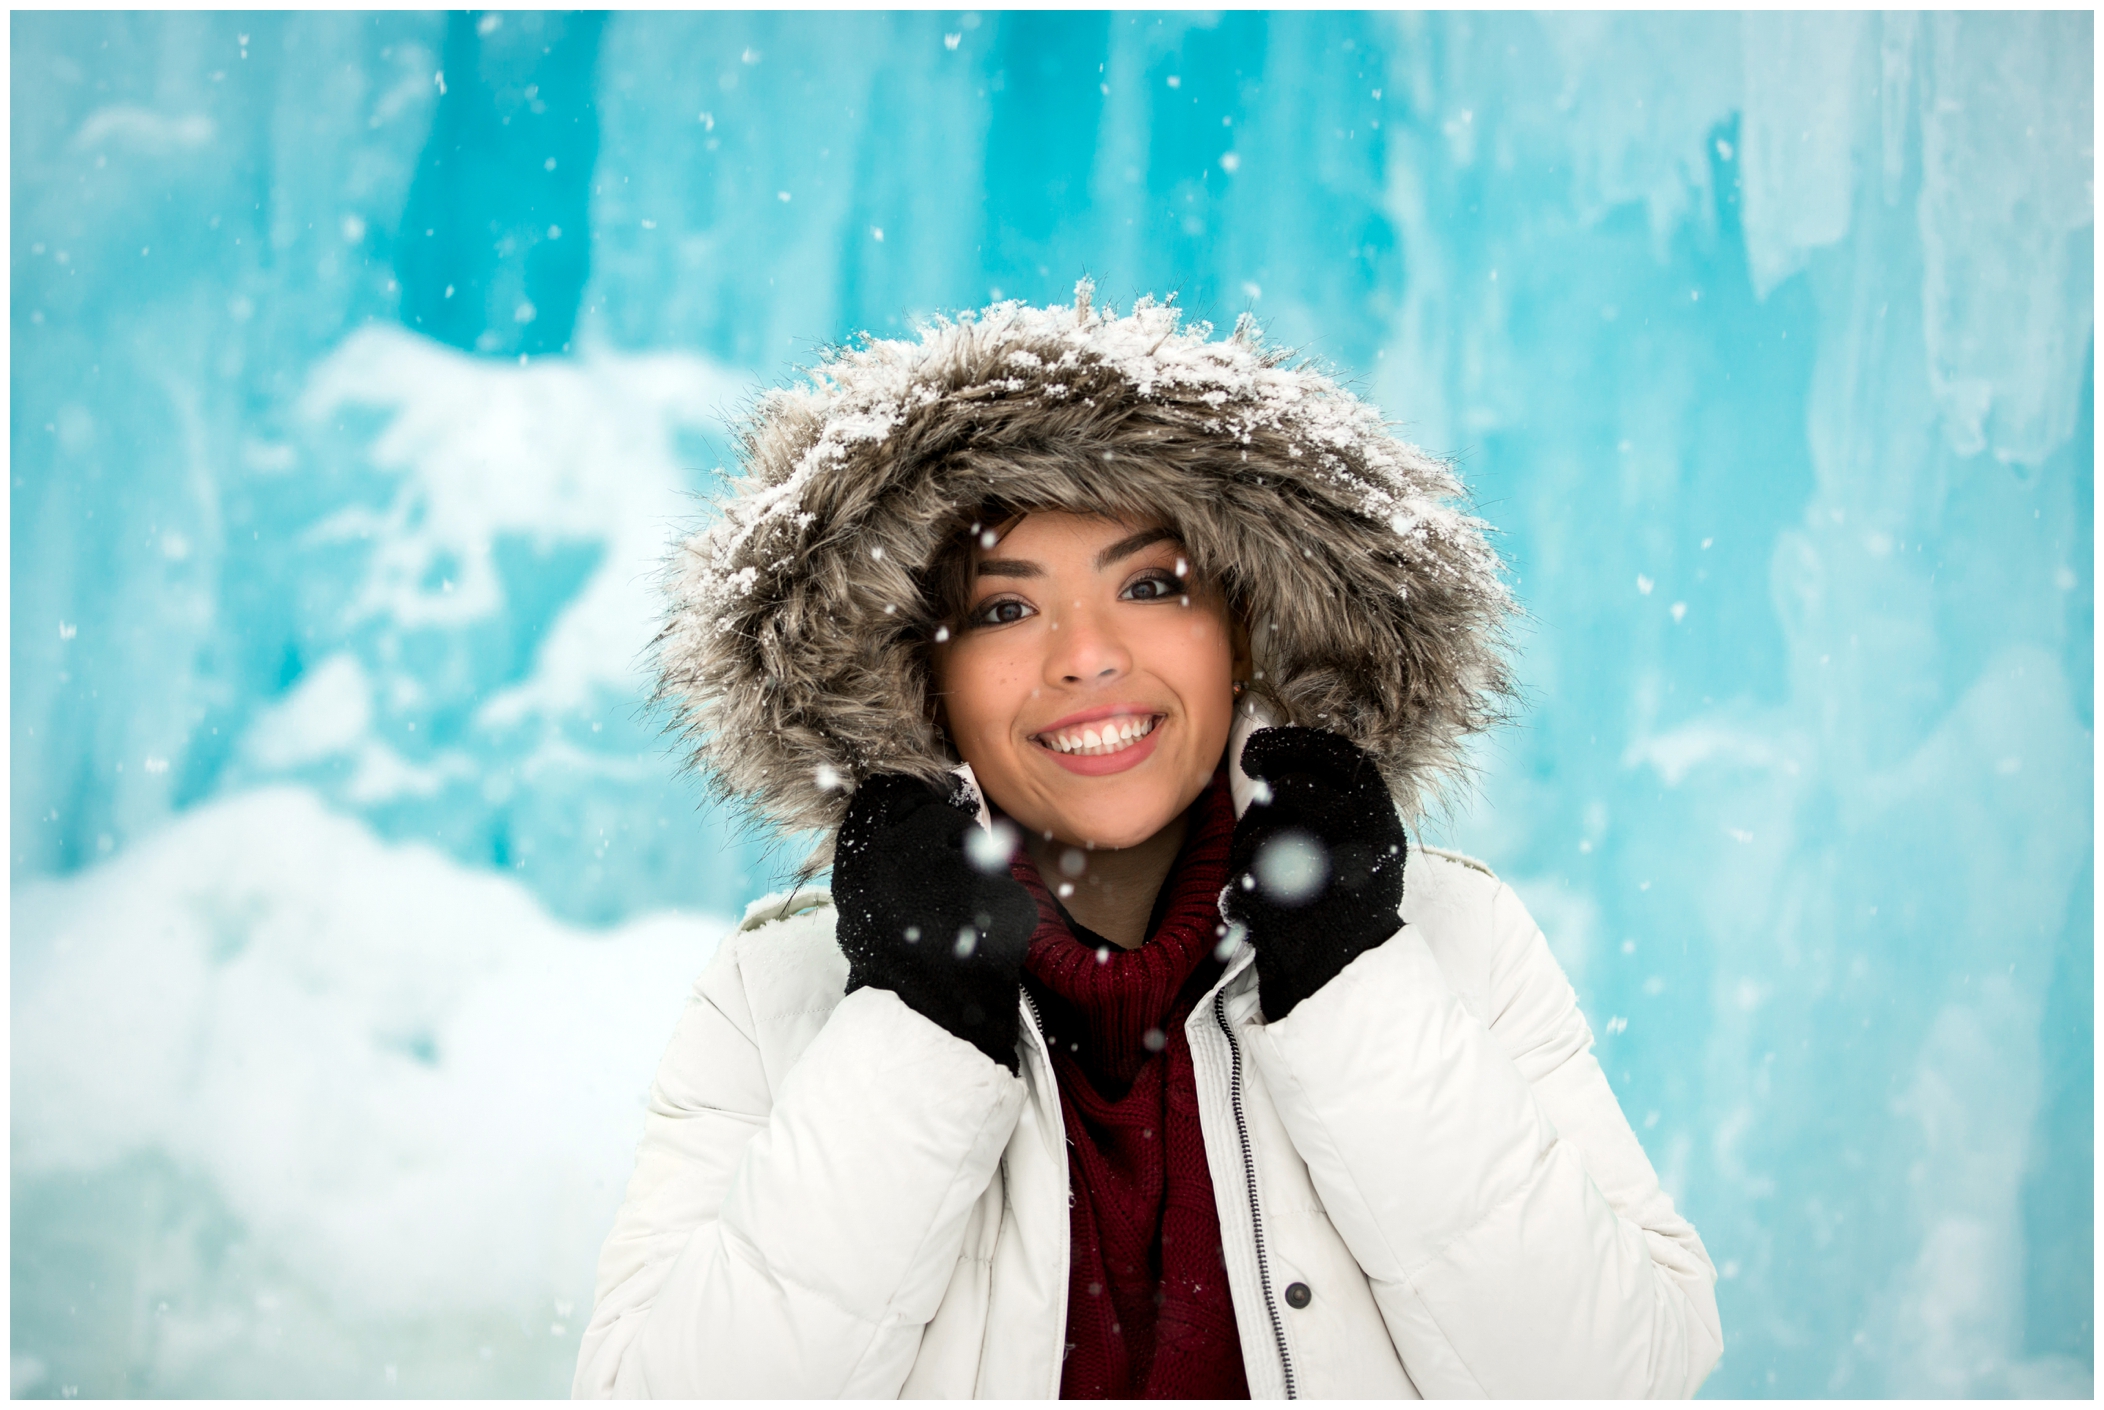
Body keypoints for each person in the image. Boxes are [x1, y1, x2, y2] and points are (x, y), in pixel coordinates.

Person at [572, 284, 1722, 1399]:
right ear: (917, 676)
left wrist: (1353, 983)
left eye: (1153, 586)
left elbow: (1622, 1379)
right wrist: (914, 1028)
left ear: (1249, 633)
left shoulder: (1449, 943)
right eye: (1004, 609)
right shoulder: (780, 997)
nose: (1086, 654)